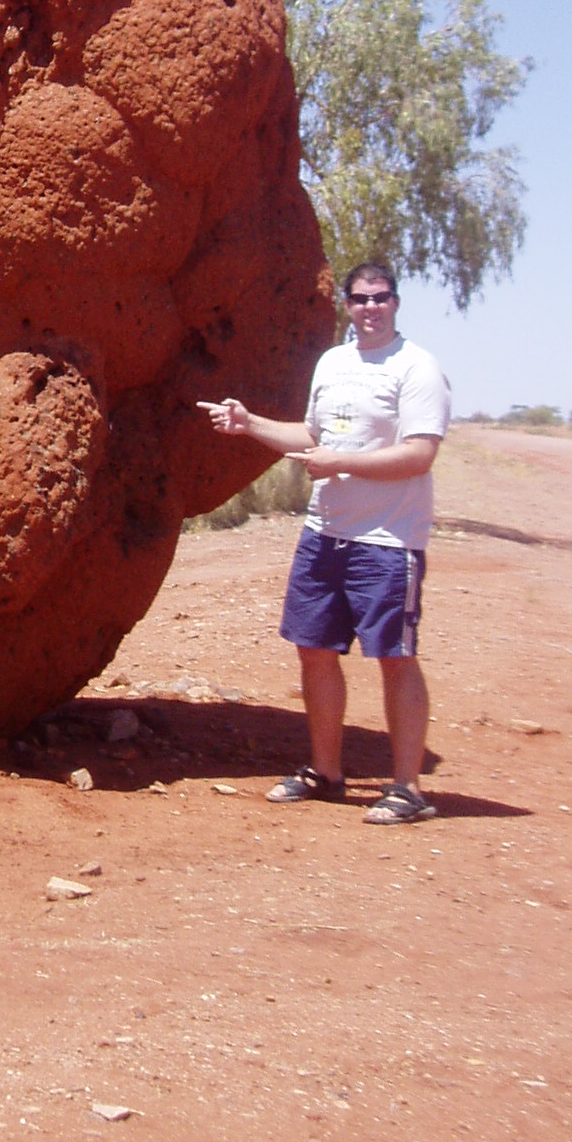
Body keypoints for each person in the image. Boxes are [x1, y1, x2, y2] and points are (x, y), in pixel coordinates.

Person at [200, 261, 450, 825]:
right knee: (313, 649)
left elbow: (420, 453)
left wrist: (342, 463)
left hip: (388, 539)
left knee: (395, 657)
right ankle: (326, 772)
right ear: (347, 304)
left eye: (380, 297)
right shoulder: (333, 363)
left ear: (396, 301)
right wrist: (249, 423)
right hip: (325, 534)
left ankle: (407, 788)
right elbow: (313, 435)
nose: (370, 308)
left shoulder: (416, 367)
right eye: (360, 299)